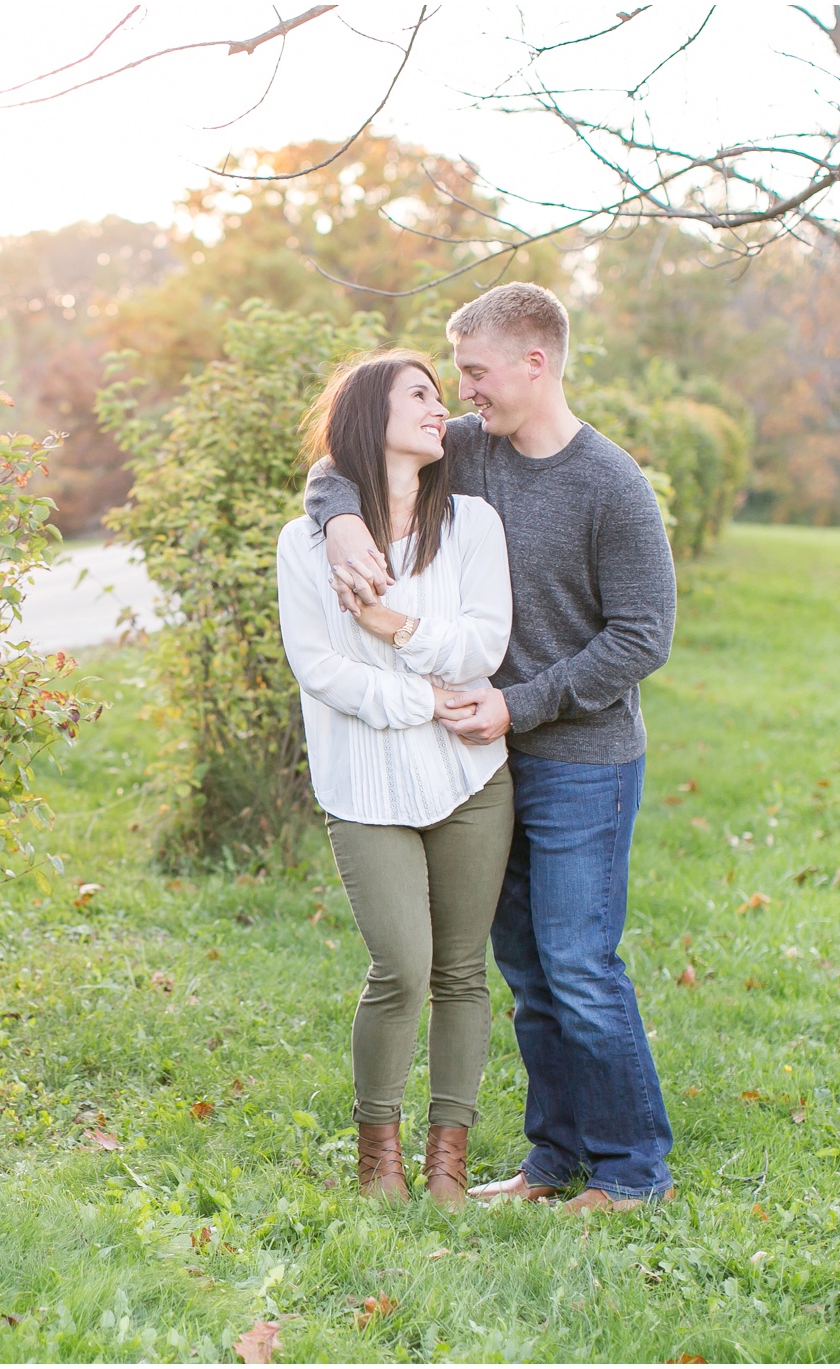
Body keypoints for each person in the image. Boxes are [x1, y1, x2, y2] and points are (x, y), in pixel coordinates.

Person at [302, 282, 679, 1212]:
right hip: (490, 760)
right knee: (526, 969)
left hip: (583, 756)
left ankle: (633, 1171)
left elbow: (643, 636)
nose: (462, 391)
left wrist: (519, 705)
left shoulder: (611, 484)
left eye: (474, 371)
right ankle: (553, 1161)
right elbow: (341, 460)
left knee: (581, 963)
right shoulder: (469, 449)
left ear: (533, 363)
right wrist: (340, 517)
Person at [276, 349, 515, 1210]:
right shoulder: (305, 543)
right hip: (365, 784)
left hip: (470, 779)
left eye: (439, 394)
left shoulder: (474, 525)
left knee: (461, 971)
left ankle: (448, 1160)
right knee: (402, 966)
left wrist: (392, 622)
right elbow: (321, 669)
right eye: (418, 392)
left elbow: (483, 647)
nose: (438, 405)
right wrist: (424, 691)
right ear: (368, 412)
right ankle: (378, 1153)